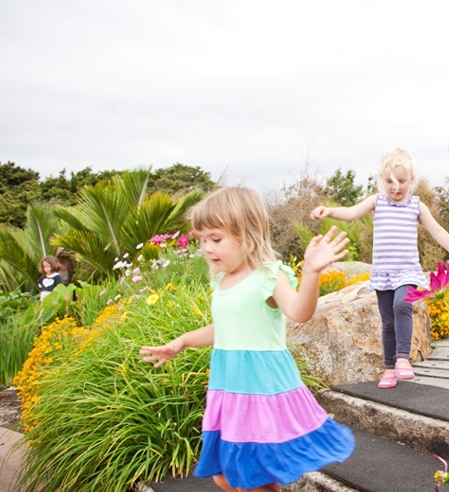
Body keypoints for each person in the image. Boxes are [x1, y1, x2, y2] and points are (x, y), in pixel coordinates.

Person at [140, 187, 355, 492]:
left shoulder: (268, 275)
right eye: (203, 240)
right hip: (230, 388)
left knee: (254, 478)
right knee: (224, 476)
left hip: (261, 388)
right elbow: (226, 327)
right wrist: (183, 341)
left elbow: (299, 312)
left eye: (216, 238)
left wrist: (310, 274)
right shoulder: (222, 280)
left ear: (247, 233)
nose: (207, 248)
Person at [310, 148, 449, 389]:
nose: (395, 187)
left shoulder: (416, 206)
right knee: (388, 322)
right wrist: (330, 210)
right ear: (382, 180)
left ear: (411, 180)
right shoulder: (377, 201)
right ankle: (389, 369)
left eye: (401, 181)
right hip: (383, 273)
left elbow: (438, 231)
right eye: (389, 181)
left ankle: (402, 359)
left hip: (407, 271)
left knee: (402, 305)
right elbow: (351, 212)